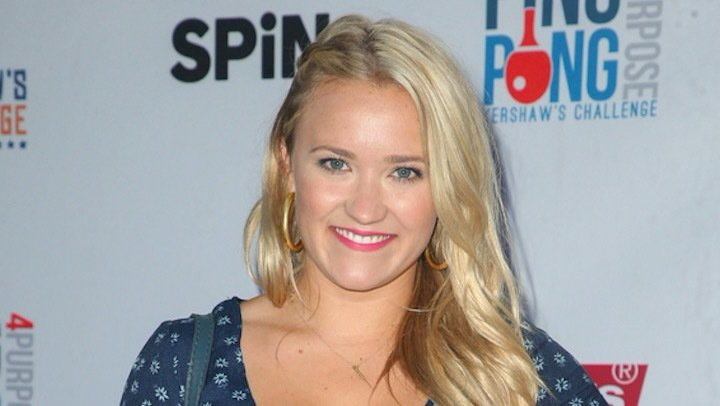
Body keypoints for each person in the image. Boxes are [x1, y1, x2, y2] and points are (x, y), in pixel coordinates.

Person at [120, 14, 607, 406]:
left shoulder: (520, 379)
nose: (365, 208)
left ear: (448, 186)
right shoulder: (187, 367)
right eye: (336, 164)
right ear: (287, 166)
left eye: (405, 172)